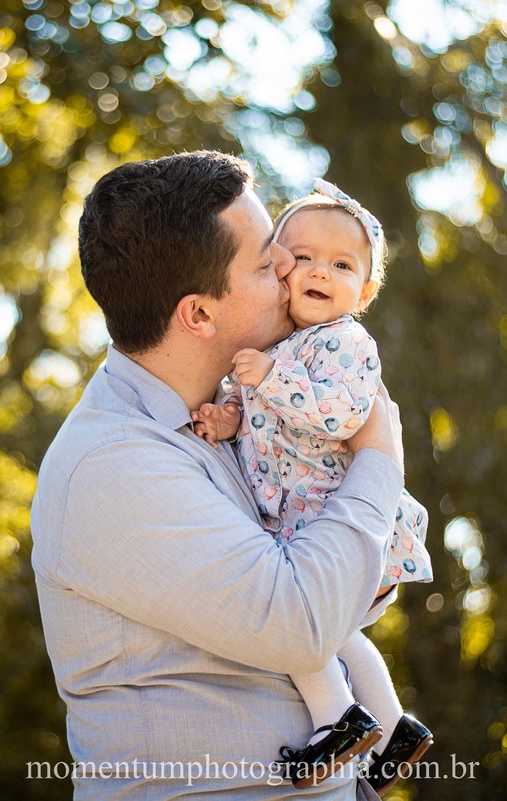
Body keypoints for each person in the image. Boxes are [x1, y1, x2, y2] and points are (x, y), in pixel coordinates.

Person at [29, 151, 408, 799]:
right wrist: (379, 457)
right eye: (267, 260)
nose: (292, 266)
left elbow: (351, 591)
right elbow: (302, 623)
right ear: (199, 315)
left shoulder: (233, 415)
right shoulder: (115, 464)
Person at [191, 180, 434, 793]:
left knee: (298, 622)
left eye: (342, 264)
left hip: (333, 519)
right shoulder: (277, 346)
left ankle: (338, 721)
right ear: (278, 271)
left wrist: (270, 378)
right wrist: (226, 417)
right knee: (336, 630)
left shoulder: (346, 344)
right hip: (302, 520)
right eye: (302, 258)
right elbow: (257, 421)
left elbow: (341, 417)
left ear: (366, 290)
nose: (319, 271)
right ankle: (394, 725)